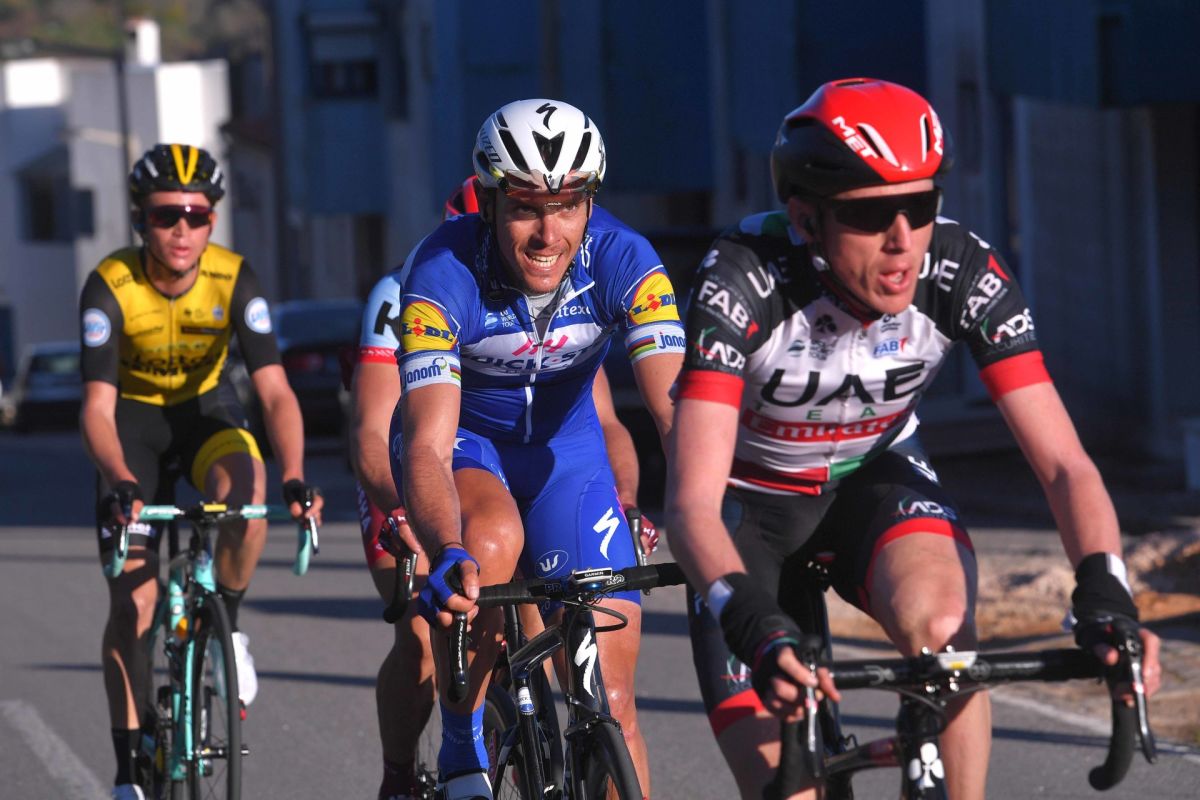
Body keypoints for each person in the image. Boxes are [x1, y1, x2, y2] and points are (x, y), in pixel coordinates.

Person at [663, 78, 1163, 800]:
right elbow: (691, 507)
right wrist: (749, 620)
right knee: (785, 787)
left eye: (920, 206)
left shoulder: (960, 270)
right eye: (870, 215)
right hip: (750, 508)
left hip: (876, 478)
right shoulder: (741, 279)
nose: (902, 239)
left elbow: (1063, 464)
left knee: (946, 634)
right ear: (805, 219)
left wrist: (1106, 591)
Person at [393, 99, 683, 800]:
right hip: (468, 447)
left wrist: (717, 527)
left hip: (567, 457)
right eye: (526, 208)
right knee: (489, 542)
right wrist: (445, 546)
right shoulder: (441, 271)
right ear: (489, 202)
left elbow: (678, 413)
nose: (549, 233)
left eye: (568, 205)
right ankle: (463, 741)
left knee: (612, 703)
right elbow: (427, 444)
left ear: (591, 203)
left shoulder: (626, 261)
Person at [79, 143, 324, 800]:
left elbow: (274, 392)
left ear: (213, 218)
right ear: (141, 219)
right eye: (167, 216)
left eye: (197, 215)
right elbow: (97, 408)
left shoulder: (233, 276)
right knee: (134, 603)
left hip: (206, 415)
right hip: (131, 428)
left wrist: (296, 474)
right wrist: (119, 479)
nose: (183, 229)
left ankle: (228, 627)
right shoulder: (110, 284)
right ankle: (128, 771)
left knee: (248, 498)